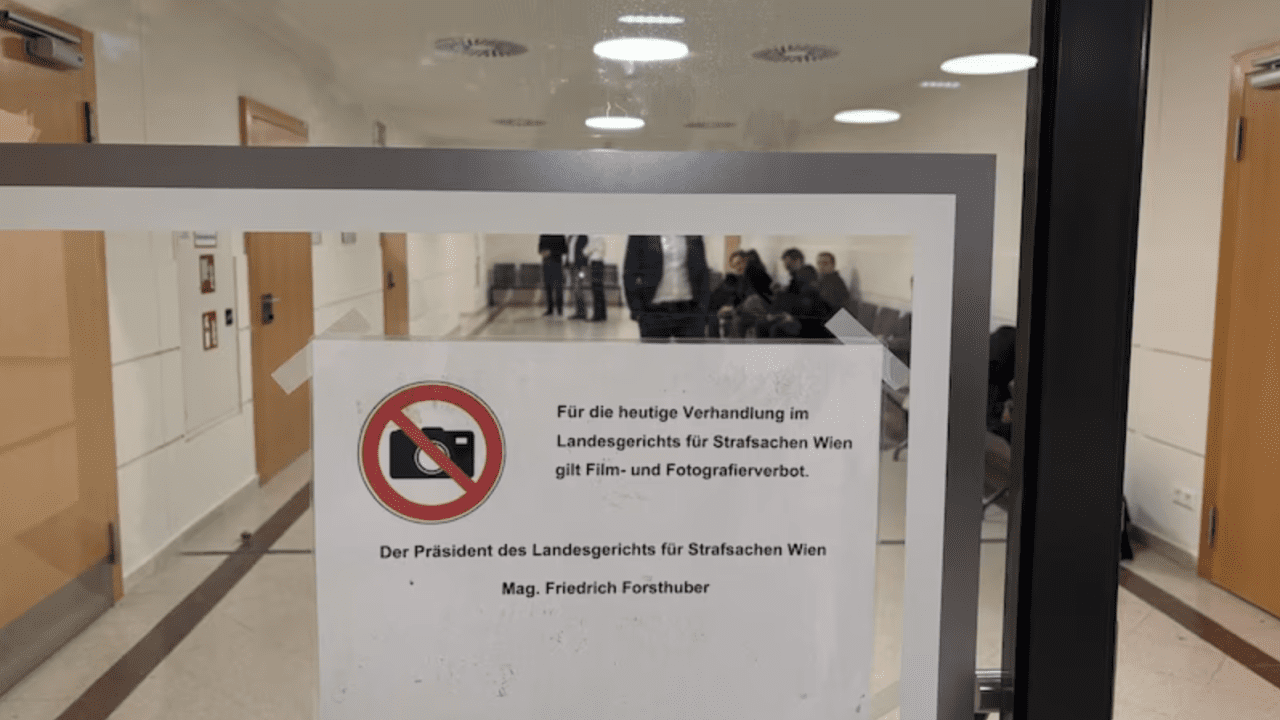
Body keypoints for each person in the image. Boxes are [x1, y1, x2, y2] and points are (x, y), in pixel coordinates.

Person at [623, 235, 710, 339]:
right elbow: (630, 272)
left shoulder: (693, 235)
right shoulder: (642, 234)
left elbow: (703, 272)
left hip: (690, 311)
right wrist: (637, 311)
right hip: (653, 312)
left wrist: (703, 308)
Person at [537, 234, 568, 316]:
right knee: (548, 287)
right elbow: (539, 249)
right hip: (546, 263)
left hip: (557, 263)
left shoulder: (560, 235)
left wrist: (551, 252)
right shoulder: (543, 235)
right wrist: (542, 252)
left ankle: (559, 310)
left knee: (558, 288)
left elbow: (565, 249)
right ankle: (550, 309)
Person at [567, 234, 590, 320]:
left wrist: (584, 268)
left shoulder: (583, 237)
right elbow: (569, 251)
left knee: (578, 288)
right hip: (571, 266)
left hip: (580, 268)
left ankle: (583, 313)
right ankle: (578, 312)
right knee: (574, 289)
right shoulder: (571, 237)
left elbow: (585, 253)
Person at [586, 234, 607, 321]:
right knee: (598, 290)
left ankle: (598, 315)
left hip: (596, 264)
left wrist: (588, 250)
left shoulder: (596, 237)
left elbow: (587, 251)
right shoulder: (599, 237)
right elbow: (587, 251)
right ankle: (602, 314)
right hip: (597, 263)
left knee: (597, 290)